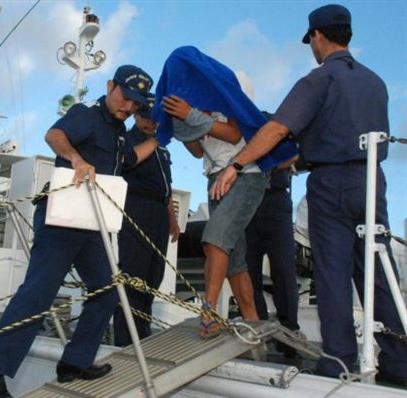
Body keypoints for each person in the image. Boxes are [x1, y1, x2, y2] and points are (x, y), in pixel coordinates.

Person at [211, 4, 407, 385]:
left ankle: (338, 364)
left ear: (318, 37)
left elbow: (277, 130)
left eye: (311, 41)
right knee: (378, 270)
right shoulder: (376, 83)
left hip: (331, 186)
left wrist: (236, 166)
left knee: (333, 274)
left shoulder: (318, 80)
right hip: (371, 181)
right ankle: (400, 363)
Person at [0, 65, 157, 398]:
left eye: (136, 104)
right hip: (61, 218)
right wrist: (76, 160)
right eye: (125, 97)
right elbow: (54, 135)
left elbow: (126, 160)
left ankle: (74, 363)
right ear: (111, 86)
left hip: (92, 223)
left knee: (107, 290)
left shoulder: (119, 133)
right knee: (38, 292)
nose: (128, 107)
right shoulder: (87, 114)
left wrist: (157, 139)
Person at [164, 96, 268, 339]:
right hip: (214, 178)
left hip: (245, 174)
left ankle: (208, 312)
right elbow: (198, 150)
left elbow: (233, 134)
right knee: (234, 260)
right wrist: (180, 124)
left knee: (214, 239)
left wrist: (190, 114)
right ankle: (253, 323)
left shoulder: (227, 99)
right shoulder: (198, 107)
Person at [113, 93, 180, 347]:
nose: (152, 122)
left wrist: (172, 220)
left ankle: (142, 334)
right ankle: (125, 340)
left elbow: (167, 187)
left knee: (153, 276)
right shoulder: (128, 141)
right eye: (147, 117)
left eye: (156, 119)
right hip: (136, 208)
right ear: (137, 115)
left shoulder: (161, 147)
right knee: (133, 275)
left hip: (159, 213)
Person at [245, 167, 300, 357]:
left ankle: (289, 331)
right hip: (244, 200)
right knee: (249, 273)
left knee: (285, 271)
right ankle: (258, 328)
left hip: (276, 199)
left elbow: (292, 153)